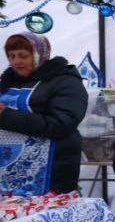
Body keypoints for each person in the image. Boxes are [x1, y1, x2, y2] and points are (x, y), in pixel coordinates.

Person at [0, 32, 88, 194]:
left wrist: (5, 115)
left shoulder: (65, 81)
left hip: (50, 172)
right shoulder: (6, 82)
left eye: (23, 56)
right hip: (6, 172)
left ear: (39, 55)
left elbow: (61, 124)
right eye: (11, 56)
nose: (16, 61)